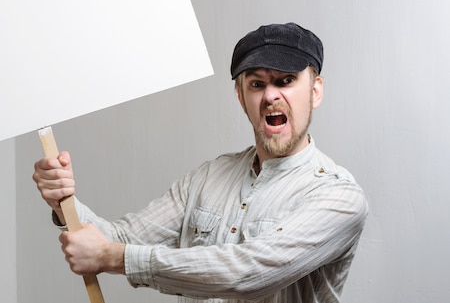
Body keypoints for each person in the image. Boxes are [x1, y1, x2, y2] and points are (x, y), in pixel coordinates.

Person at [33, 22, 368, 303]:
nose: (270, 95)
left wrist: (112, 258)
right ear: (241, 97)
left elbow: (248, 273)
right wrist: (64, 202)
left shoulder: (339, 197)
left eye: (285, 81)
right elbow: (121, 236)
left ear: (315, 91)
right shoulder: (209, 177)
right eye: (256, 84)